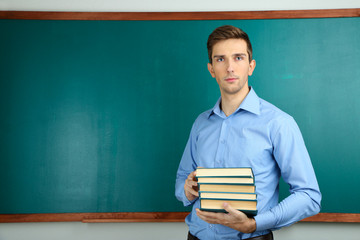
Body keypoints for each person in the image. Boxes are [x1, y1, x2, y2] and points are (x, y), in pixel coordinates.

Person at [175, 25, 321, 240]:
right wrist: (186, 190)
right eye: (221, 59)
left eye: (239, 58)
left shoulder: (278, 123)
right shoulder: (201, 124)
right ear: (211, 69)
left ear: (251, 66)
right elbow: (181, 180)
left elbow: (309, 196)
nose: (230, 68)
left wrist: (254, 224)